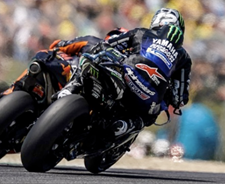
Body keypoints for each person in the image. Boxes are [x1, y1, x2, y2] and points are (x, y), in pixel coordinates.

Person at [60, 8, 192, 138]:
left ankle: (70, 88)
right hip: (148, 99)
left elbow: (108, 44)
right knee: (150, 116)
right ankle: (124, 126)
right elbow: (180, 98)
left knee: (91, 56)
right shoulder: (184, 58)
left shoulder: (141, 32)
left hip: (127, 75)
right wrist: (167, 95)